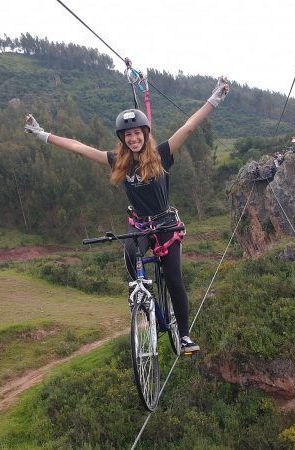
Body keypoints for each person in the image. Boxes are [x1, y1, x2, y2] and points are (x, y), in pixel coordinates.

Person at [23, 77, 230, 354]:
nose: (133, 139)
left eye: (137, 134)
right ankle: (148, 304)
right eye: (127, 135)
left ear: (145, 134)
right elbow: (78, 147)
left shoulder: (161, 154)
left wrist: (214, 99)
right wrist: (42, 135)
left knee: (175, 280)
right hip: (140, 225)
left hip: (166, 225)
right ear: (123, 138)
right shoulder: (117, 161)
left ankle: (184, 335)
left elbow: (189, 127)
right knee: (130, 256)